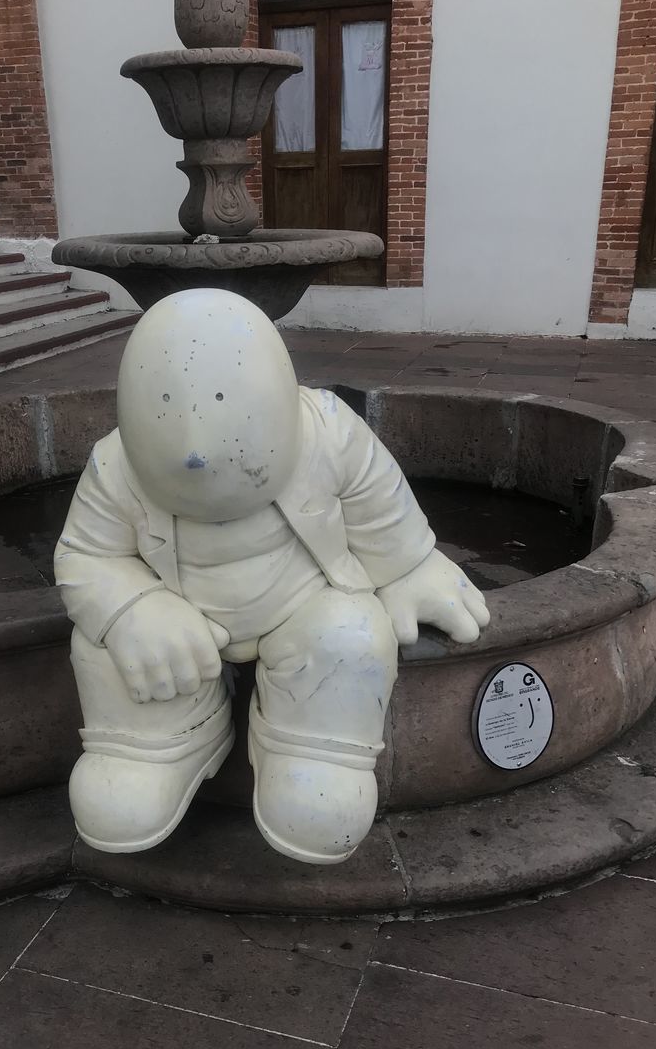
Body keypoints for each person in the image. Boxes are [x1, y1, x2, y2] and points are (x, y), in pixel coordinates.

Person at [55, 290, 490, 865]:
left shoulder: (329, 431)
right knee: (106, 642)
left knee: (351, 635)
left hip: (302, 604)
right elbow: (86, 556)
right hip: (180, 619)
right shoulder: (114, 465)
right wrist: (130, 608)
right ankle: (153, 745)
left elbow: (376, 502)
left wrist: (409, 563)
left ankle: (314, 750)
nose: (193, 453)